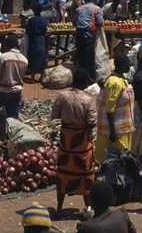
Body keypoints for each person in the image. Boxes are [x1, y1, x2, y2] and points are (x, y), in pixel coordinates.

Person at [52, 69, 96, 214]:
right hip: (81, 142)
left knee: (63, 172)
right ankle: (89, 208)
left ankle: (59, 208)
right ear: (85, 83)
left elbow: (55, 114)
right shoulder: (88, 100)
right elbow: (91, 121)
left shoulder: (62, 96)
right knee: (85, 174)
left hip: (67, 140)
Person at [0, 35, 28, 140]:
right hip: (17, 92)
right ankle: (10, 138)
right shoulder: (25, 60)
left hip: (3, 91)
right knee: (12, 117)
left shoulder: (3, 57)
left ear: (6, 45)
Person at [95, 56, 134, 162]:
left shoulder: (122, 78)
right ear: (121, 66)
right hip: (115, 129)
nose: (129, 66)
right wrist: (113, 130)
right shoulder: (114, 83)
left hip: (122, 127)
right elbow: (110, 108)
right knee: (116, 158)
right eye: (127, 64)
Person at [74, 0, 104, 81]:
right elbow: (99, 23)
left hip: (79, 34)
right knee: (90, 58)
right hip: (89, 35)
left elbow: (74, 22)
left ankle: (81, 79)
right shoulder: (97, 9)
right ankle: (90, 79)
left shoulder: (79, 8)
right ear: (94, 1)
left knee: (81, 56)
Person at [25, 4, 49, 80]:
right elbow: (46, 30)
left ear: (34, 10)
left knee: (32, 58)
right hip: (42, 40)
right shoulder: (44, 20)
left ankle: (32, 77)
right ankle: (41, 77)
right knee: (42, 57)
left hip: (33, 41)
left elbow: (28, 31)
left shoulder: (31, 20)